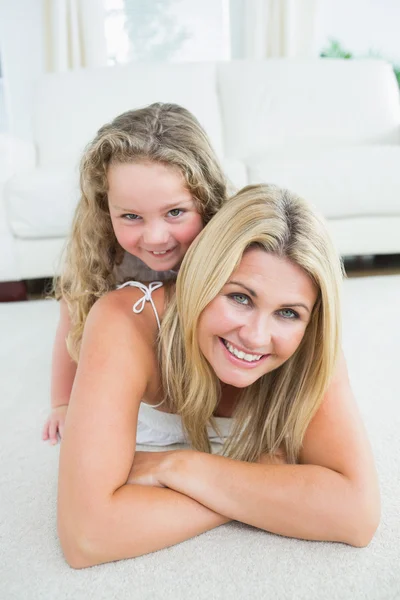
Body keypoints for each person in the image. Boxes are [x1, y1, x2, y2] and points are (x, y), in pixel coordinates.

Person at [57, 184, 380, 568]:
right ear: (202, 276)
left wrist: (179, 467)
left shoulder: (312, 346)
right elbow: (87, 536)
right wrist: (267, 487)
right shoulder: (124, 322)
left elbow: (357, 516)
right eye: (240, 297)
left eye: (288, 313)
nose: (256, 337)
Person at [42, 102, 228, 444]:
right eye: (131, 217)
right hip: (140, 398)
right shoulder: (101, 255)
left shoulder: (226, 246)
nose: (156, 238)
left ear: (206, 199)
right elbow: (72, 323)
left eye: (175, 212)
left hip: (210, 396)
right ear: (105, 207)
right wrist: (62, 402)